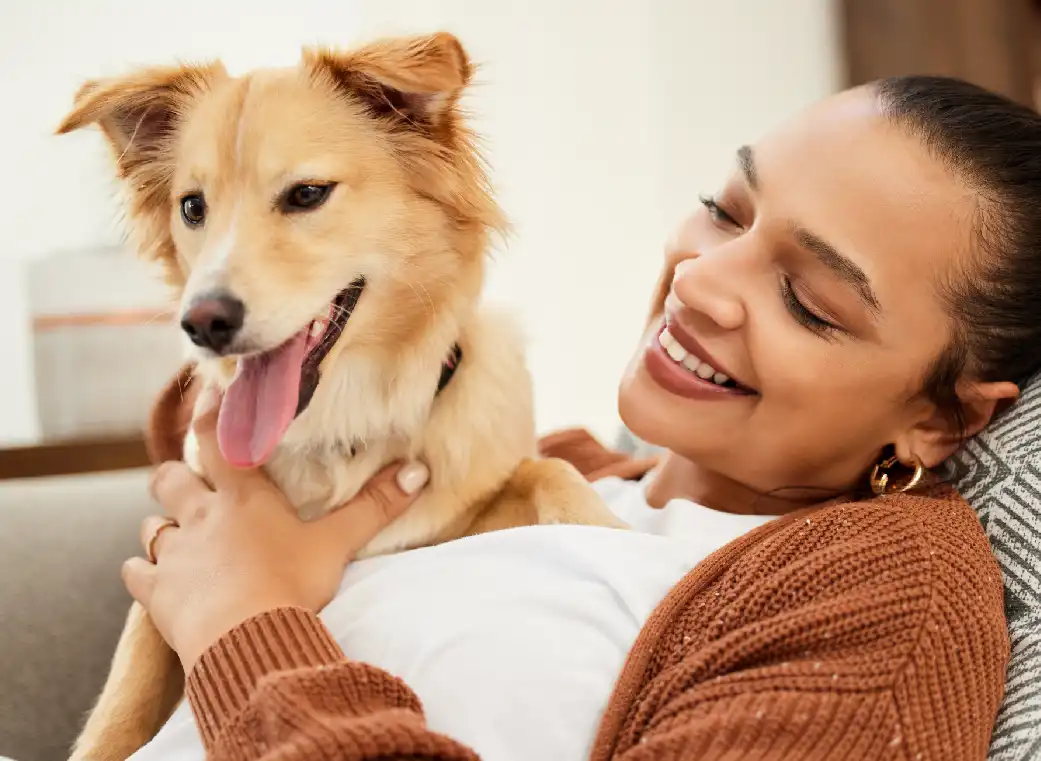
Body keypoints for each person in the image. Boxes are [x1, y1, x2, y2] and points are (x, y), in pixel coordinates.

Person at [122, 74, 1041, 761]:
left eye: (808, 300)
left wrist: (250, 625)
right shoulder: (564, 473)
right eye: (724, 211)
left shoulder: (887, 593)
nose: (697, 280)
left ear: (942, 419)